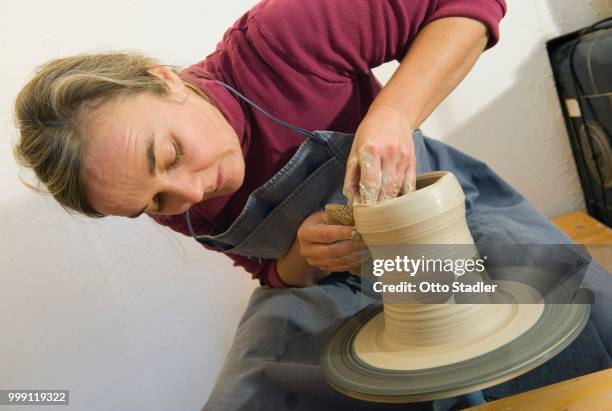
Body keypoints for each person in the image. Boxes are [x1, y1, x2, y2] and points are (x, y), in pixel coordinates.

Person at [13, 1, 612, 410]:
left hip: (437, 228)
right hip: (327, 283)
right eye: (152, 204)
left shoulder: (280, 42)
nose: (190, 196)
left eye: (168, 154)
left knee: (577, 323)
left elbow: (467, 6)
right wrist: (301, 257)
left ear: (164, 79)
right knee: (251, 392)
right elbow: (270, 274)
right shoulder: (181, 201)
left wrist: (393, 114)